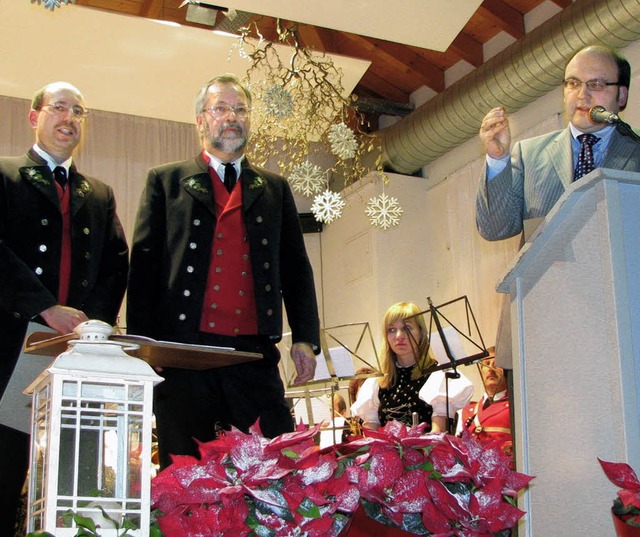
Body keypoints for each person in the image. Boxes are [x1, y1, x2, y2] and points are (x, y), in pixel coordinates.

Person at [127, 74, 320, 469]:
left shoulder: (275, 188)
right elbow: (143, 266)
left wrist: (305, 336)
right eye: (220, 109)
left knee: (273, 466)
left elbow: (296, 268)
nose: (231, 118)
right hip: (183, 352)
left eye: (240, 109)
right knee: (185, 471)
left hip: (252, 352)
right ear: (200, 120)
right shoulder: (165, 182)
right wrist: (144, 344)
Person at [0, 82, 129, 535]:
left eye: (78, 110)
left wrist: (91, 325)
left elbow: (117, 263)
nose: (69, 117)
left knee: (81, 472)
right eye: (58, 107)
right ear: (34, 116)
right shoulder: (4, 174)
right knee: (5, 464)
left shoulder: (99, 192)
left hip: (81, 349)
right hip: (17, 342)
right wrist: (46, 307)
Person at [476, 44, 640, 242]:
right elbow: (495, 229)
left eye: (596, 84)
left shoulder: (635, 146)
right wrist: (497, 159)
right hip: (550, 273)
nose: (582, 95)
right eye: (573, 83)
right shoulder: (529, 155)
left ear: (621, 95)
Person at [350, 302, 472, 433]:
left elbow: (438, 435)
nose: (399, 336)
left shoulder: (437, 375)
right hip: (387, 453)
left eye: (407, 328)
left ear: (421, 332)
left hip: (427, 452)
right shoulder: (377, 383)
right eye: (391, 330)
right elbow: (371, 437)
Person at [459, 347, 513, 467]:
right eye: (486, 364)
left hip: (502, 475)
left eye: (496, 364)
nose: (491, 369)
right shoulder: (467, 409)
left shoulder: (515, 407)